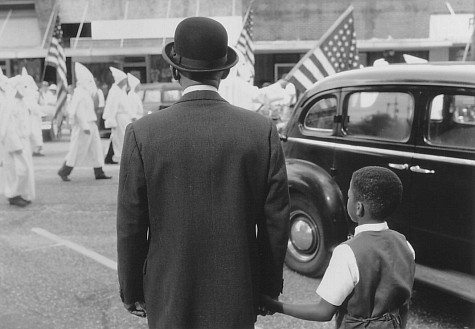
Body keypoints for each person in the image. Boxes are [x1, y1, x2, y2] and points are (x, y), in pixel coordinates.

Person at [117, 17, 290, 329]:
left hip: (168, 290)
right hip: (237, 289)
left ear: (174, 70)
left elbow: (131, 223)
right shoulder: (260, 130)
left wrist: (131, 288)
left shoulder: (143, 133)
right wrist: (266, 287)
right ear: (224, 71)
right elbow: (275, 222)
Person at [262, 166, 416, 329]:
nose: (346, 200)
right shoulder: (406, 246)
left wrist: (275, 305)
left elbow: (324, 311)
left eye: (349, 196)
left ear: (359, 208)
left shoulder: (348, 252)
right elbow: (404, 305)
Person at [57, 62, 111, 182]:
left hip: (91, 123)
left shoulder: (84, 92)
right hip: (84, 126)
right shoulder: (79, 93)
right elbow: (79, 111)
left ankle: (99, 171)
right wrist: (84, 126)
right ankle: (64, 170)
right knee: (78, 149)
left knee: (96, 148)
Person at [0, 73, 36, 207]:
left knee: (24, 170)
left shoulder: (22, 103)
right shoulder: (9, 105)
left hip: (23, 141)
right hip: (14, 143)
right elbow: (7, 128)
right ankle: (13, 195)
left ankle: (21, 193)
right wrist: (15, 145)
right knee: (17, 170)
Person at [102, 67, 131, 164]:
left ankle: (109, 157)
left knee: (117, 139)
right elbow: (112, 107)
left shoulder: (120, 91)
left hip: (123, 119)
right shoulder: (114, 91)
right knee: (119, 139)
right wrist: (111, 120)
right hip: (118, 119)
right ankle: (119, 157)